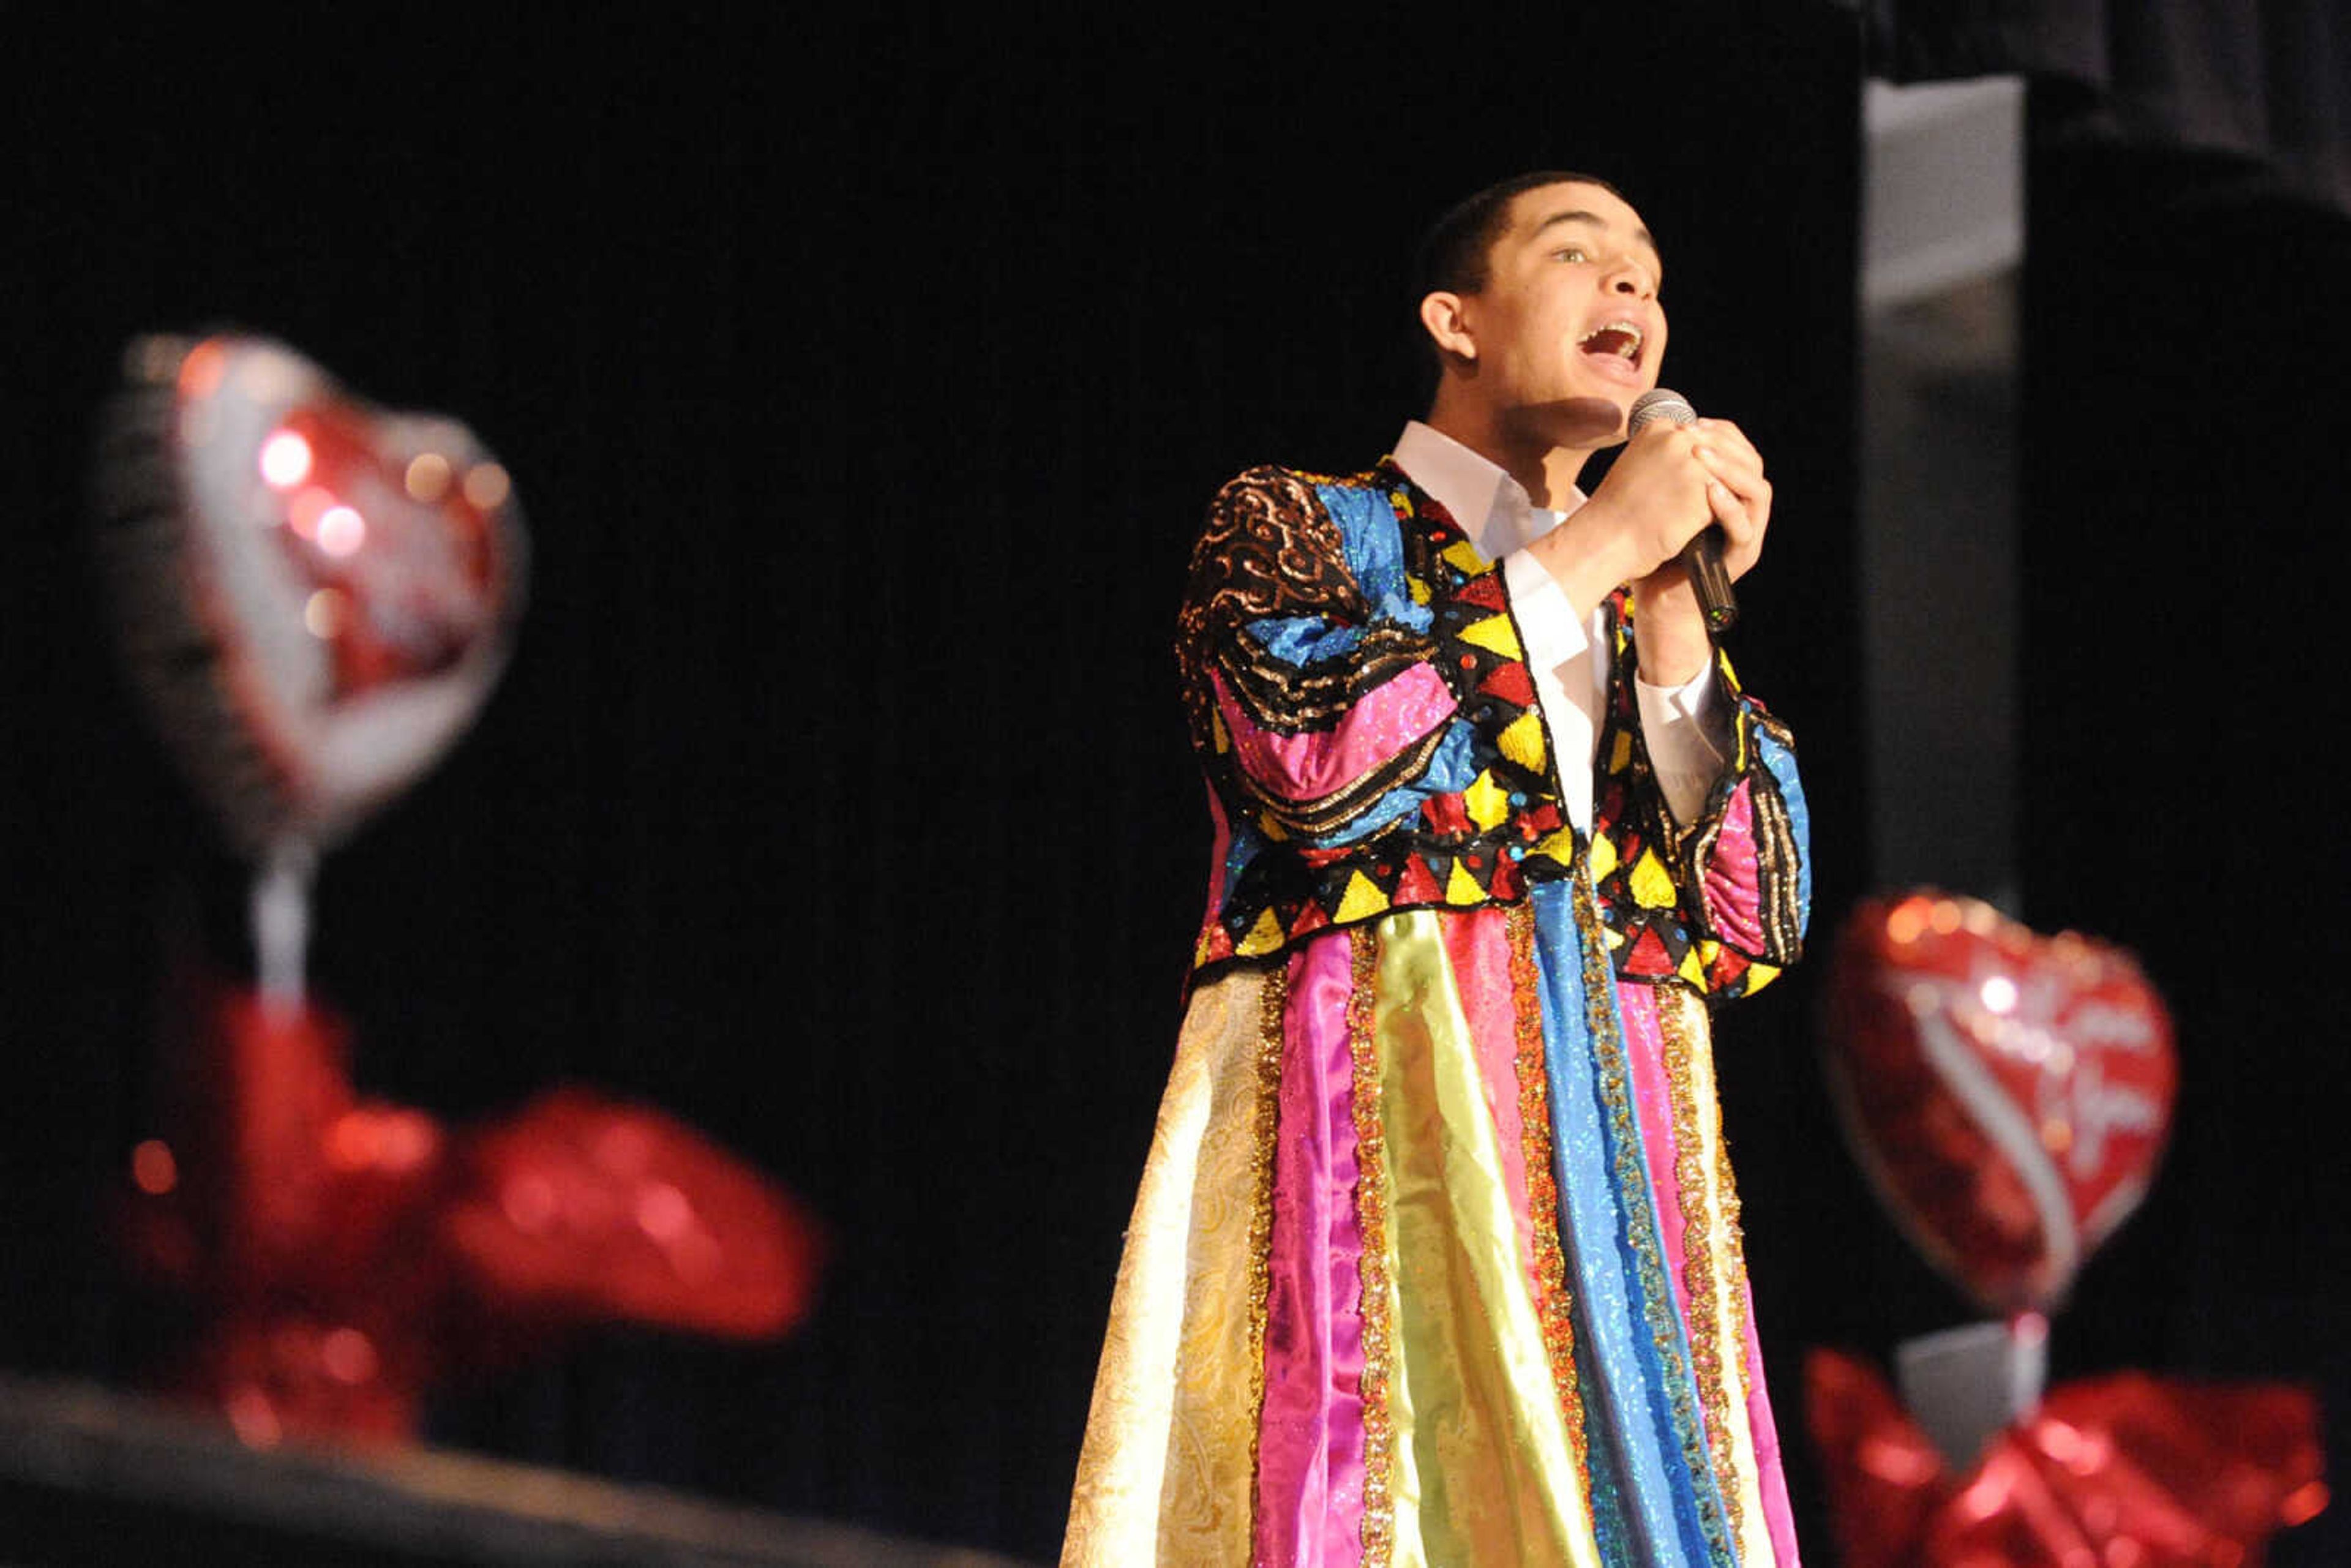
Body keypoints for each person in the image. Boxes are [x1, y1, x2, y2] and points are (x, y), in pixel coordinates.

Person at [1063, 171, 1810, 1567]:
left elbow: (1751, 925)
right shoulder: (1302, 528)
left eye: (1650, 270)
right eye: (1581, 255)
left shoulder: (1636, 605)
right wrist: (1598, 547)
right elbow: (1317, 769)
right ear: (1453, 321)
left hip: (1629, 1216)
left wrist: (1673, 620)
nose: (1633, 290)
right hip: (1385, 1159)